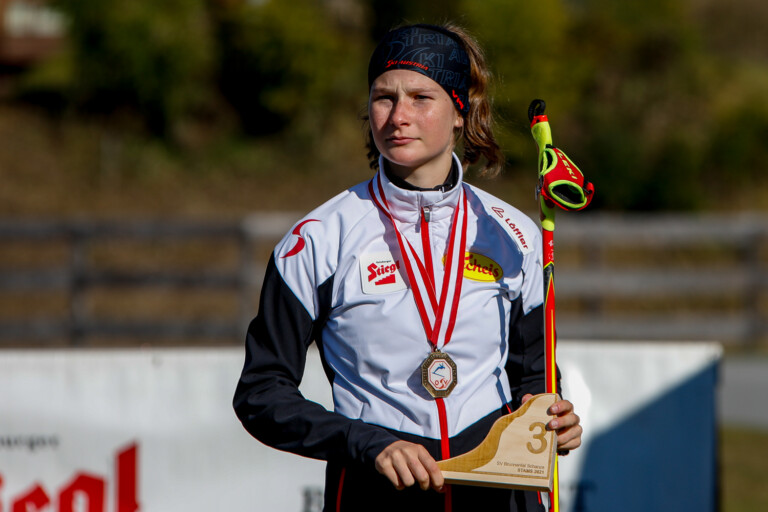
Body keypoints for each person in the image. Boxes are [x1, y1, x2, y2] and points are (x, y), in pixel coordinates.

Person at [233, 22, 582, 512]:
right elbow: (261, 394)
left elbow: (534, 378)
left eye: (421, 97)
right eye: (384, 98)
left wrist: (553, 417)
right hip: (375, 493)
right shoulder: (317, 240)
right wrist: (366, 444)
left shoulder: (513, 234)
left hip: (498, 495)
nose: (399, 116)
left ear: (460, 112)